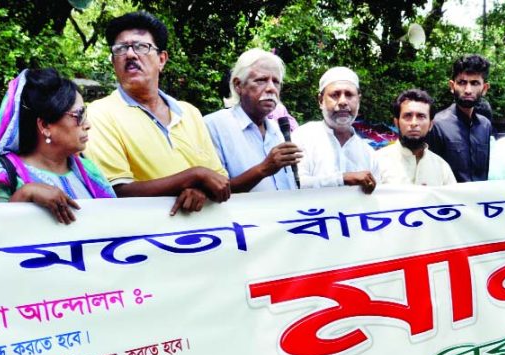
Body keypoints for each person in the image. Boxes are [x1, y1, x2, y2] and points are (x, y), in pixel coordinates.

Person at [85, 11, 229, 215]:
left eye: (141, 47)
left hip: (207, 236)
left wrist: (199, 188)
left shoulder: (189, 113)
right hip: (144, 240)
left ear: (162, 59)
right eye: (120, 49)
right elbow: (116, 193)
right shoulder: (99, 113)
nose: (130, 54)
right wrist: (193, 176)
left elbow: (218, 181)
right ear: (113, 62)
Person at [0, 69, 115, 224]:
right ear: (45, 125)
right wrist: (25, 194)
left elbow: (115, 222)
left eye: (84, 114)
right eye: (78, 116)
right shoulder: (2, 175)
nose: (87, 125)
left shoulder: (89, 171)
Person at [204, 49, 301, 193]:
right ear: (238, 85)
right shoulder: (214, 126)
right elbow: (212, 192)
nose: (271, 89)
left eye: (276, 82)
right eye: (261, 80)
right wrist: (263, 169)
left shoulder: (277, 131)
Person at [290, 66, 378, 193]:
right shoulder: (302, 137)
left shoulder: (368, 153)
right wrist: (342, 180)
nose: (343, 101)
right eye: (335, 95)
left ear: (358, 100)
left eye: (349, 95)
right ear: (321, 100)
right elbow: (294, 184)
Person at [427, 54, 492, 182]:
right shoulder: (437, 125)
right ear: (452, 86)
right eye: (462, 82)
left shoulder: (485, 125)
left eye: (474, 83)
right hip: (449, 200)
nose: (468, 90)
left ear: (484, 88)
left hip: (479, 199)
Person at [377, 89, 456, 186]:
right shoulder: (377, 162)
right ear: (396, 123)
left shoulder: (442, 167)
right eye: (407, 116)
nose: (414, 123)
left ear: (430, 125)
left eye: (421, 116)